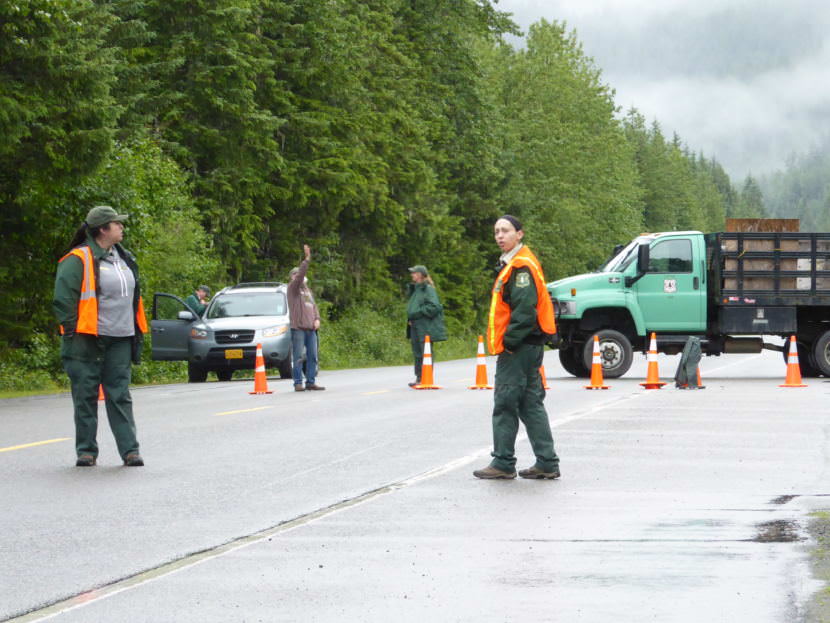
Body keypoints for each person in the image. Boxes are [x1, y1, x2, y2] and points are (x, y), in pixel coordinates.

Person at [53, 205, 148, 467]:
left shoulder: (125, 257)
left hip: (121, 337)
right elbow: (63, 300)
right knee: (85, 395)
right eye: (117, 224)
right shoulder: (78, 258)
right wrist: (73, 332)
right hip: (86, 340)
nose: (122, 227)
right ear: (102, 229)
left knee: (119, 394)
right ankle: (86, 451)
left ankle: (131, 451)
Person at [473, 215, 561, 480]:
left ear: (519, 234)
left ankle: (502, 462)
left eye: (506, 231)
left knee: (505, 402)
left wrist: (510, 342)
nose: (500, 236)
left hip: (519, 348)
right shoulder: (516, 263)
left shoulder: (520, 266)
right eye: (497, 231)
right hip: (529, 346)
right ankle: (547, 462)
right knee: (530, 403)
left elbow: (524, 310)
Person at [287, 244, 324, 392]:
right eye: (296, 275)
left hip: (311, 329)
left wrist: (317, 319)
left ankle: (310, 381)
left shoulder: (307, 291)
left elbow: (314, 306)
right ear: (292, 277)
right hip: (298, 328)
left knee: (312, 356)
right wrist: (306, 260)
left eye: (299, 275)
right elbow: (300, 275)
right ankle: (297, 382)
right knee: (298, 356)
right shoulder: (293, 289)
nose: (299, 277)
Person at [405, 265, 447, 387]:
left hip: (425, 325)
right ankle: (419, 378)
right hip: (414, 324)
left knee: (425, 352)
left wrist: (418, 313)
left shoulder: (428, 289)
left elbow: (435, 307)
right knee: (417, 352)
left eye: (414, 273)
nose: (412, 275)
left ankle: (426, 377)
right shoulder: (416, 289)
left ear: (420, 275)